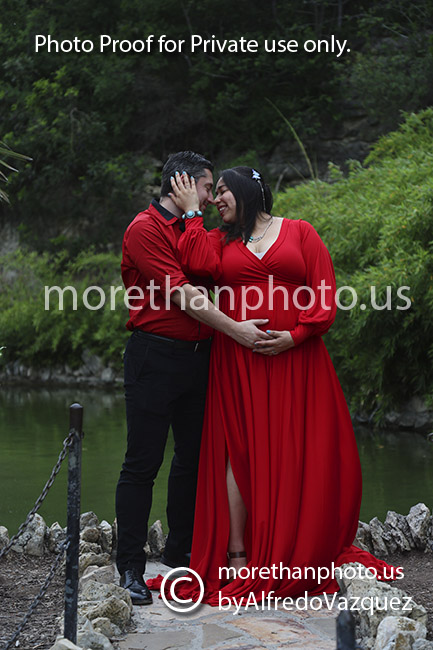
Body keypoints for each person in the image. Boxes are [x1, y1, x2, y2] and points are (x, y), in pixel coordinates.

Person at [149, 166, 396, 605]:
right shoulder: (216, 240)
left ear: (247, 190)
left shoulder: (301, 232)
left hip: (299, 361)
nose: (216, 200)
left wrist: (294, 336)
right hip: (238, 360)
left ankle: (298, 549)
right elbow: (194, 265)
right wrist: (191, 215)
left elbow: (324, 293)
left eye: (222, 192)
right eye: (212, 193)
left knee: (300, 448)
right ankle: (239, 554)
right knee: (239, 449)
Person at [115, 154, 271, 605]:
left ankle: (180, 553)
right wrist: (237, 328)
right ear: (181, 183)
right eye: (207, 187)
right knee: (143, 462)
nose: (212, 197)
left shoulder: (198, 228)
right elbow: (183, 293)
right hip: (154, 356)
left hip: (202, 359)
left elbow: (216, 273)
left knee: (194, 460)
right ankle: (130, 568)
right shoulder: (145, 228)